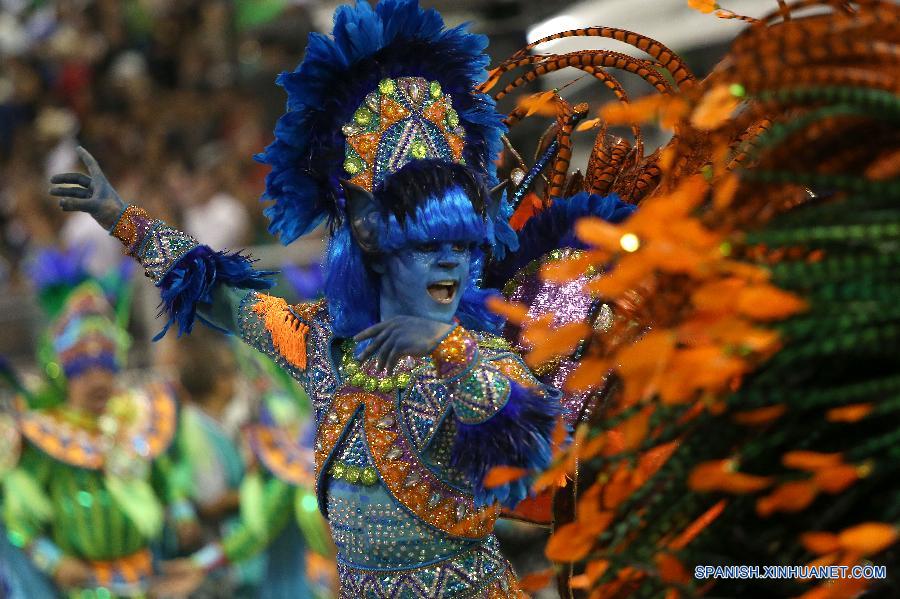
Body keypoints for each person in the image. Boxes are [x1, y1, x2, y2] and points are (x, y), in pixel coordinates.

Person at [48, 1, 636, 595]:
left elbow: (529, 434)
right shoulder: (325, 344)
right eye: (426, 244)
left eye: (462, 244)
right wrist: (123, 219)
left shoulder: (479, 352)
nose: (450, 262)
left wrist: (446, 345)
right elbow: (223, 297)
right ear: (374, 243)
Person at [2, 249, 200, 598]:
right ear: (62, 372)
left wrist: (182, 513)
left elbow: (165, 479)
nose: (97, 380)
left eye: (105, 366)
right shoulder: (44, 434)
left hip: (151, 583)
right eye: (83, 368)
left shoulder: (137, 419)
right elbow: (17, 515)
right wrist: (52, 561)